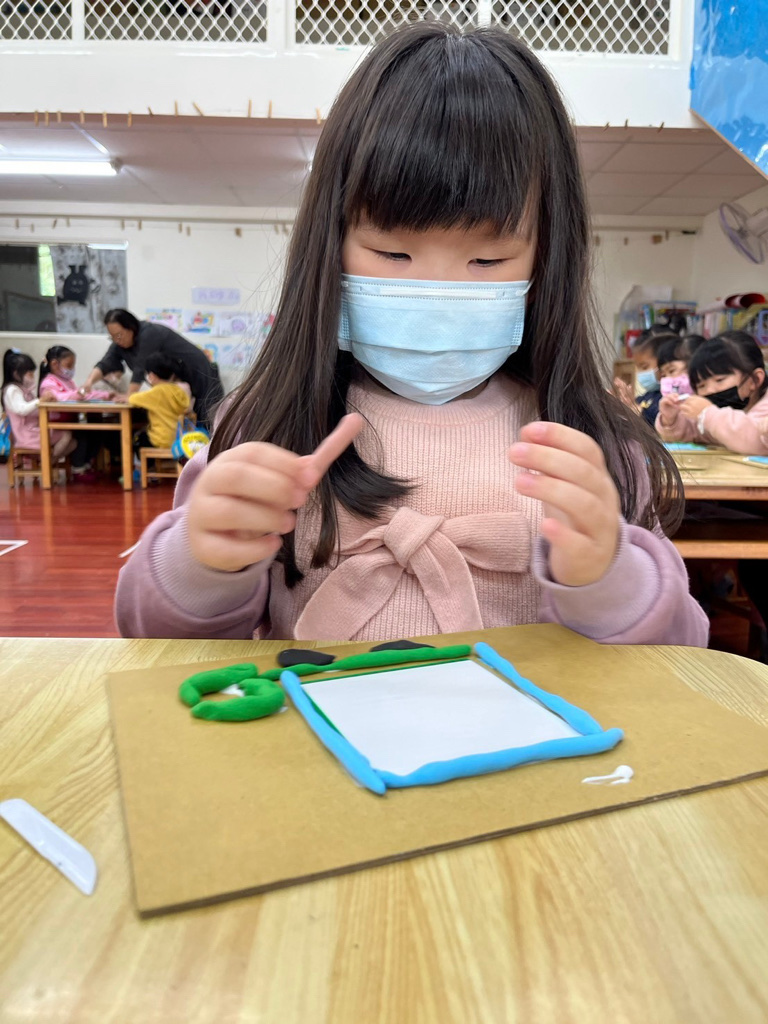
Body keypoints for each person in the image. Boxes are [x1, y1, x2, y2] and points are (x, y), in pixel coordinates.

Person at [116, 22, 707, 647]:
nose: (438, 292)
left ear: (546, 263)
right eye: (392, 253)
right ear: (330, 246)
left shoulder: (590, 444)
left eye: (488, 260)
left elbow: (680, 654)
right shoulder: (267, 425)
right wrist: (203, 563)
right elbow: (156, 639)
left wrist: (608, 578)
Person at [81, 310, 223, 429]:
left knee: (208, 420)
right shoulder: (120, 342)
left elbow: (140, 367)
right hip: (180, 385)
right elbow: (106, 362)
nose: (117, 340)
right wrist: (89, 383)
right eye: (112, 337)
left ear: (130, 327)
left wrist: (130, 396)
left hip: (201, 374)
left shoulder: (149, 333)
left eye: (119, 335)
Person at [657, 332, 768, 453]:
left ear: (755, 379)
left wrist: (708, 414)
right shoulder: (714, 414)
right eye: (701, 385)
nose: (709, 390)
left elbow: (755, 441)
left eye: (719, 380)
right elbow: (693, 432)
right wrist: (671, 420)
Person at [1, 349, 75, 459]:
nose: (32, 376)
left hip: (32, 431)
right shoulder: (12, 390)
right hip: (25, 435)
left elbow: (33, 411)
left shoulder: (24, 390)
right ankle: (48, 462)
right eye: (30, 373)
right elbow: (22, 409)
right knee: (66, 435)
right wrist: (40, 401)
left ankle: (49, 462)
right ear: (16, 374)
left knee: (73, 443)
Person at [118, 351, 193, 451]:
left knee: (137, 439)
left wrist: (125, 397)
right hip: (178, 439)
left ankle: (142, 462)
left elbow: (134, 398)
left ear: (151, 376)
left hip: (161, 440)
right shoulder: (178, 390)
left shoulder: (157, 392)